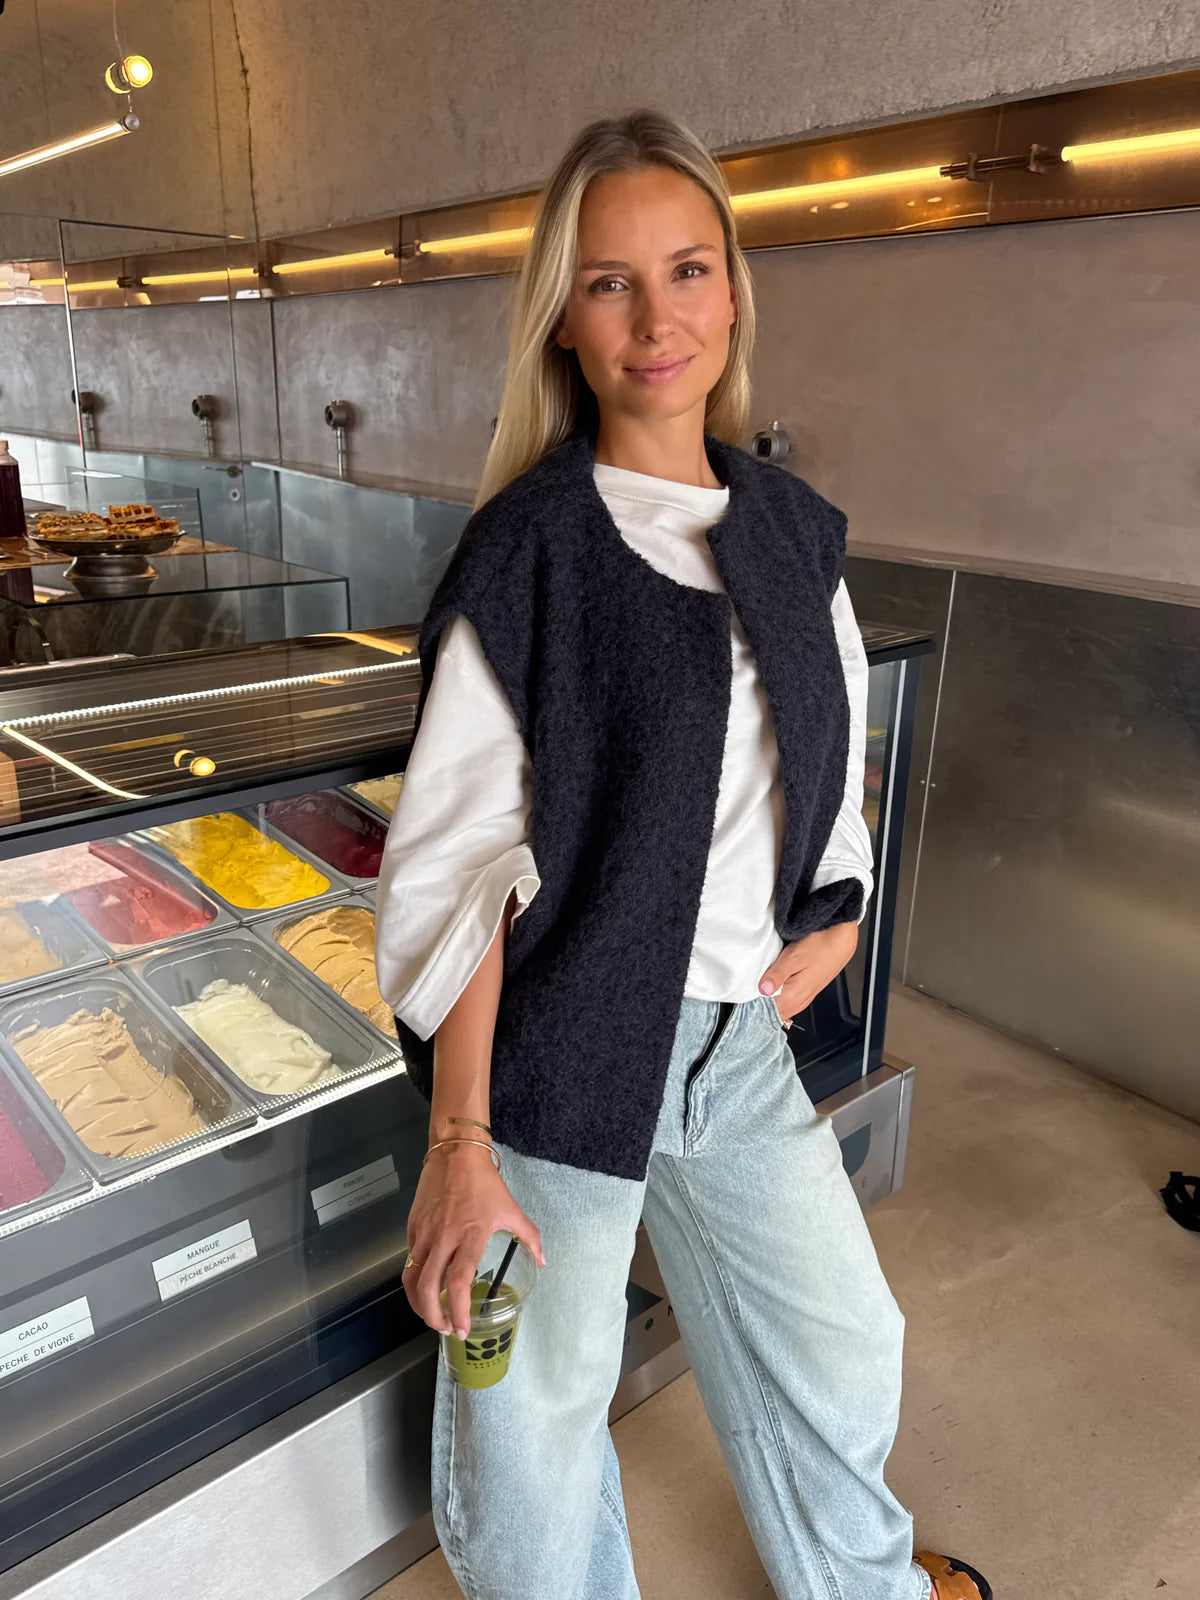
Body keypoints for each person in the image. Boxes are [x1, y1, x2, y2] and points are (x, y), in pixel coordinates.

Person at [376, 108, 991, 1600]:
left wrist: (839, 904)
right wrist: (461, 1146)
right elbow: (459, 866)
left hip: (734, 1049)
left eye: (689, 270)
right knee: (535, 1430)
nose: (657, 320)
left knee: (845, 1346)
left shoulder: (790, 529)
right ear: (564, 321)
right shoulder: (528, 552)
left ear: (732, 292)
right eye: (610, 283)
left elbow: (829, 749)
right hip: (557, 1059)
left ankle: (860, 1587)